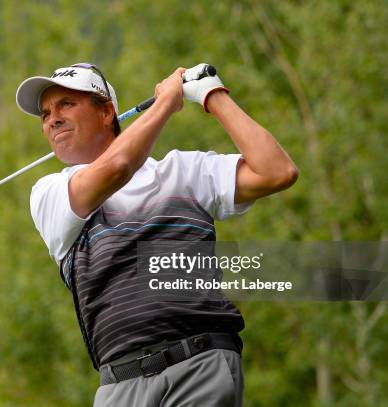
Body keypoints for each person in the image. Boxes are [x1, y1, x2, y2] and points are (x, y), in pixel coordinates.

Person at [15, 62, 298, 406]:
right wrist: (167, 103)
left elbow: (277, 171)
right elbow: (117, 168)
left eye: (66, 104)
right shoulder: (49, 193)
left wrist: (212, 93)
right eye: (45, 113)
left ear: (107, 113)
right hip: (119, 384)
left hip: (199, 365)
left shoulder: (184, 172)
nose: (52, 119)